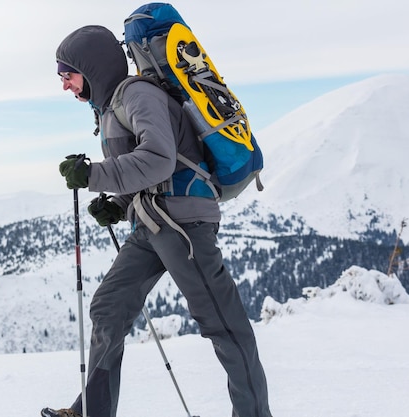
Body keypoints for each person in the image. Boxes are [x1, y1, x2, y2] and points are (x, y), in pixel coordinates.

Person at [42, 25, 272, 417]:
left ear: (91, 68)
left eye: (68, 74)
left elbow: (160, 159)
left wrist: (94, 175)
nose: (64, 85)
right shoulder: (112, 106)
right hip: (152, 222)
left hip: (184, 224)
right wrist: (119, 204)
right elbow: (152, 170)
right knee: (109, 307)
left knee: (222, 323)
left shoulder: (138, 95)